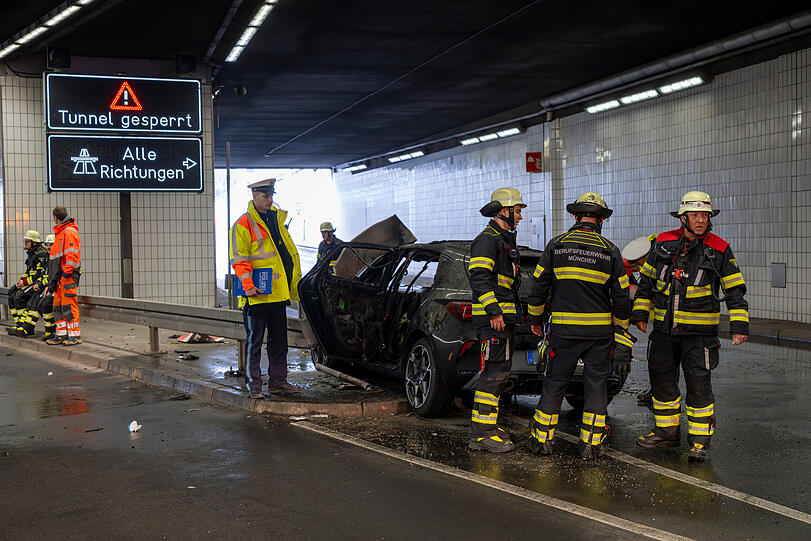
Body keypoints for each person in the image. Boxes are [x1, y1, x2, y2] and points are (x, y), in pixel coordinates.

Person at [631, 191, 749, 462]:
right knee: (662, 384)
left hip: (700, 336)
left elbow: (734, 289)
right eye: (695, 215)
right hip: (664, 332)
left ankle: (699, 442)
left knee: (699, 387)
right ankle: (666, 432)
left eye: (705, 215)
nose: (701, 220)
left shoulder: (719, 248)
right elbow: (646, 283)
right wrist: (640, 314)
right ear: (683, 217)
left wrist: (739, 326)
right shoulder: (663, 243)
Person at [526, 192, 631, 460]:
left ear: (575, 216)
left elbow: (538, 287)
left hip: (563, 332)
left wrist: (536, 321)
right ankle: (590, 446)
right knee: (596, 385)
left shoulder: (556, 246)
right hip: (599, 335)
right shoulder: (610, 251)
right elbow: (621, 295)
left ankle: (542, 441)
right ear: (601, 220)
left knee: (555, 383)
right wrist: (621, 328)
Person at [230, 178, 303, 399]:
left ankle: (278, 382)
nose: (270, 200)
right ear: (254, 196)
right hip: (256, 296)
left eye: (271, 195)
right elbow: (239, 258)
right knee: (254, 343)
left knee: (279, 343)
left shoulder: (276, 220)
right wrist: (248, 285)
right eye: (265, 196)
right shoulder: (243, 223)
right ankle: (254, 385)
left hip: (277, 294)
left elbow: (285, 255)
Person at [467, 187, 526, 453]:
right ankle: (483, 434)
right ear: (504, 211)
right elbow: (479, 278)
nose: (520, 216)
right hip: (493, 320)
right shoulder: (487, 240)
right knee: (493, 374)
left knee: (499, 373)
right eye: (518, 211)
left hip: (502, 319)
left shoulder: (503, 239)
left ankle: (486, 427)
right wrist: (495, 312)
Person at [621, 235, 659, 408]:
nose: (639, 267)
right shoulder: (644, 252)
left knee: (662, 358)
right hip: (661, 320)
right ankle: (657, 391)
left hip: (674, 319)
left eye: (640, 263)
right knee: (657, 357)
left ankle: (660, 393)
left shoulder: (661, 258)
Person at [43, 206, 82, 345]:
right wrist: (54, 279)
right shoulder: (61, 233)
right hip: (60, 278)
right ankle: (61, 334)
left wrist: (65, 275)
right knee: (58, 306)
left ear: (55, 217)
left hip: (67, 278)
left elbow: (71, 257)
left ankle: (74, 335)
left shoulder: (68, 232)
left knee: (69, 306)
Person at [7, 230, 48, 336]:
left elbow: (39, 274)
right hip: (31, 282)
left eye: (27, 241)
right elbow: (29, 271)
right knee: (11, 293)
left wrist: (24, 283)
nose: (25, 244)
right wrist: (21, 281)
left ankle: (25, 327)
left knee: (19, 297)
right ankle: (20, 325)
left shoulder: (40, 254)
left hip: (38, 284)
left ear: (34, 243)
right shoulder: (31, 253)